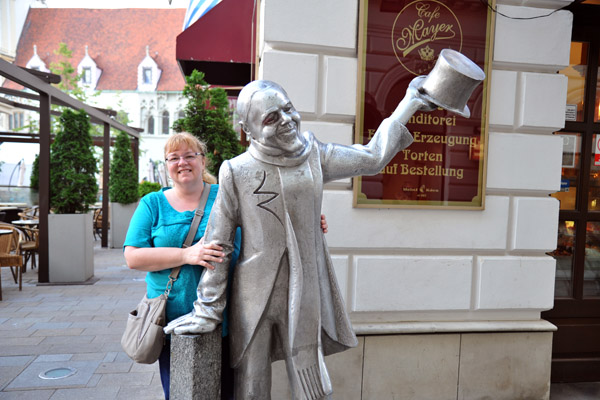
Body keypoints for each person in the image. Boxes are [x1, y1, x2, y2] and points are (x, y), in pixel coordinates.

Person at [165, 79, 433, 400]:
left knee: (312, 387)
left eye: (288, 109)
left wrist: (411, 102)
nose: (287, 121)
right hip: (253, 297)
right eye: (271, 118)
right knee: (251, 387)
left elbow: (372, 156)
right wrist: (207, 309)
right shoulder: (235, 171)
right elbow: (219, 244)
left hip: (304, 291)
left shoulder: (314, 156)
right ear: (247, 130)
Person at [123, 132, 240, 400]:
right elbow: (133, 257)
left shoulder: (227, 197)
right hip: (172, 321)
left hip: (227, 319)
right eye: (174, 158)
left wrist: (311, 224)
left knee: (229, 392)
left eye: (190, 156)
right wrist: (186, 255)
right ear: (167, 165)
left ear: (203, 160)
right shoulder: (153, 204)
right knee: (180, 391)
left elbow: (266, 222)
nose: (182, 162)